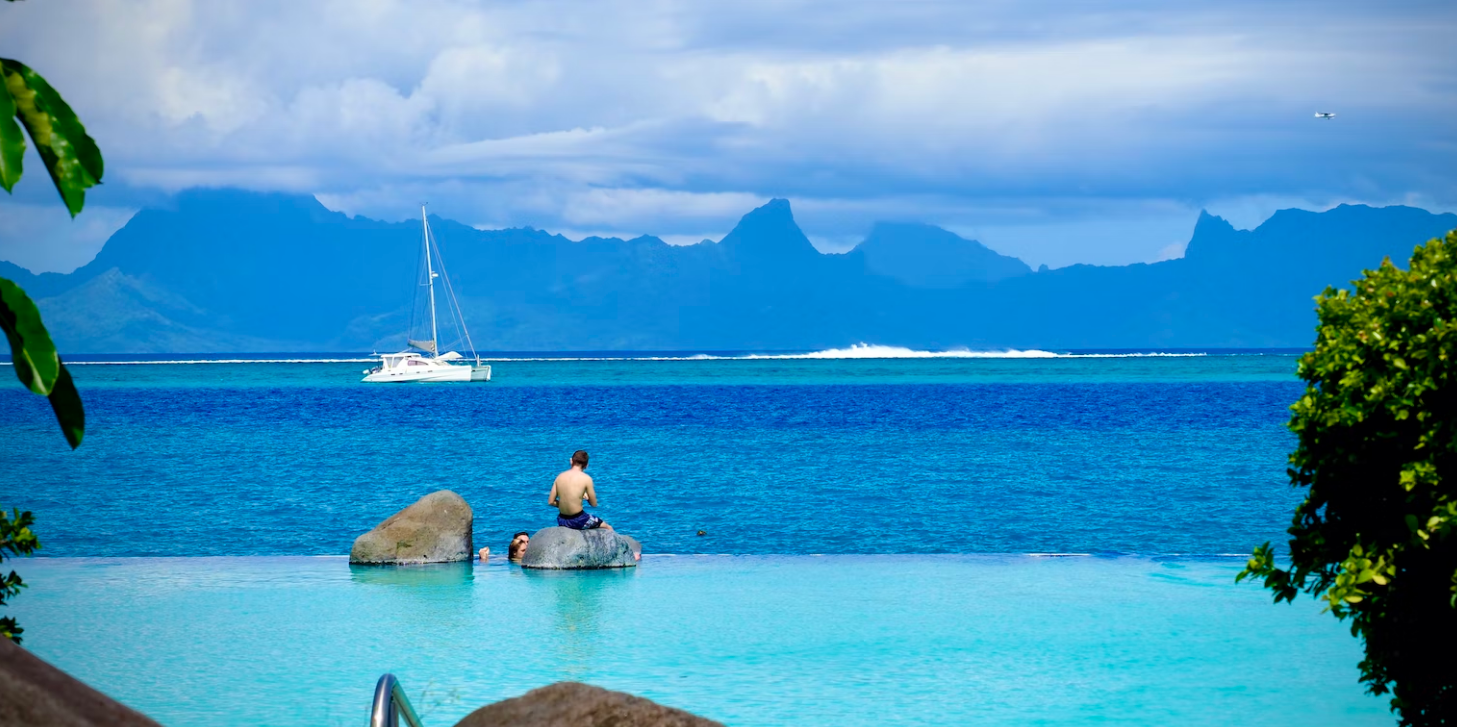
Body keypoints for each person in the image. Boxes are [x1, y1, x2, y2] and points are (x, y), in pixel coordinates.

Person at [548, 450, 612, 530]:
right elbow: (594, 504)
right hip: (579, 520)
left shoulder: (559, 477)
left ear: (571, 461)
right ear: (586, 465)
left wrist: (564, 504)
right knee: (607, 527)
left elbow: (550, 501)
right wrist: (587, 497)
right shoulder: (586, 479)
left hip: (562, 520)